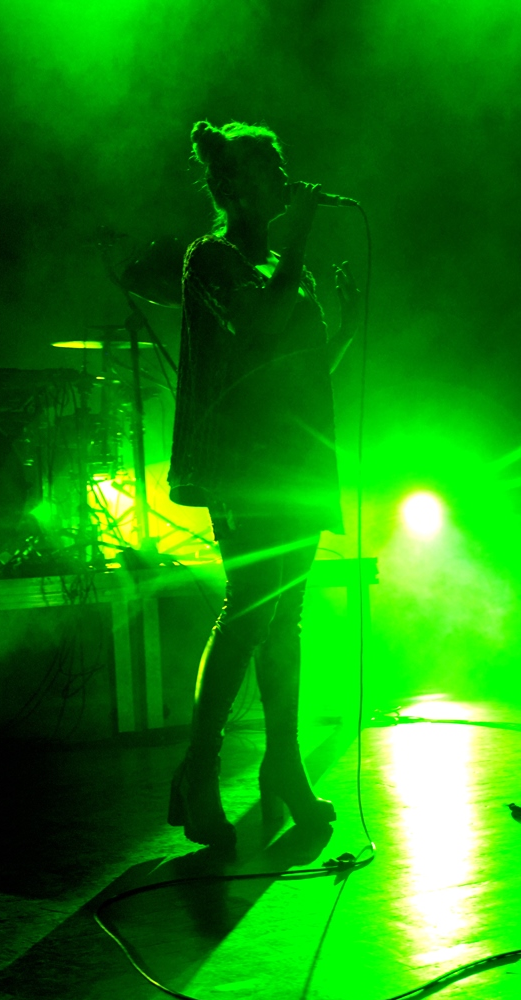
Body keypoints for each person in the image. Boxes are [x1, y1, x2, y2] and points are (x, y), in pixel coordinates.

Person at [167, 120, 361, 848]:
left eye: (282, 167)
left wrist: (346, 328)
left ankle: (283, 763)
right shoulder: (210, 259)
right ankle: (199, 769)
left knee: (288, 618)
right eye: (269, 171)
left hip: (294, 462)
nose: (285, 179)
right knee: (248, 609)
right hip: (243, 464)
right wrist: (303, 233)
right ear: (234, 188)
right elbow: (258, 332)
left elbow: (300, 370)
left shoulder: (286, 266)